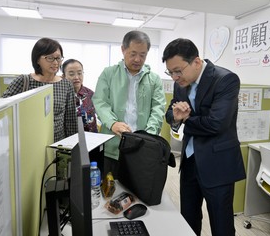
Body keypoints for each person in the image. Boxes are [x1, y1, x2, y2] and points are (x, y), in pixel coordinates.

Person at [162, 38, 246, 236]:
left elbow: (217, 124)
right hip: (190, 161)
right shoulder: (181, 83)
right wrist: (175, 117)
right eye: (170, 72)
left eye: (178, 71)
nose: (174, 77)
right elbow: (170, 113)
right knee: (188, 218)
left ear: (196, 62)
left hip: (218, 163)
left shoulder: (225, 79)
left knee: (221, 224)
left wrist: (186, 119)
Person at [92, 30, 166, 179]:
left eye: (143, 54)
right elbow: (100, 102)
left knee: (137, 193)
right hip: (112, 145)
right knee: (110, 191)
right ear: (123, 49)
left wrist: (148, 135)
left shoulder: (154, 79)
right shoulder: (109, 74)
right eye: (133, 54)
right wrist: (113, 123)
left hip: (141, 148)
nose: (138, 59)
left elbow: (158, 108)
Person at [2, 37, 78, 142]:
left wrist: (72, 146)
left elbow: (70, 120)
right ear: (37, 59)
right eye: (50, 58)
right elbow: (3, 109)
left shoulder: (65, 85)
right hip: (29, 143)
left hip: (57, 144)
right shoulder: (24, 81)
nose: (56, 62)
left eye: (58, 58)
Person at [62, 59, 98, 133]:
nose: (76, 77)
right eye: (71, 74)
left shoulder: (90, 94)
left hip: (93, 139)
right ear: (63, 76)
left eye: (79, 73)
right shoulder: (62, 96)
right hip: (70, 140)